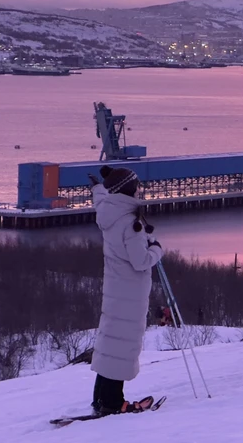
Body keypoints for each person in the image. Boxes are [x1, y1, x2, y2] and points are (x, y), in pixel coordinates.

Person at [89, 166, 163, 414]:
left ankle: (100, 398)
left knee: (111, 343)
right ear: (131, 189)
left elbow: (101, 201)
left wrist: (98, 187)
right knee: (122, 346)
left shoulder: (109, 213)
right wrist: (156, 249)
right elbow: (141, 261)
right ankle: (112, 402)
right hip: (130, 292)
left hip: (114, 288)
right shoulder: (132, 224)